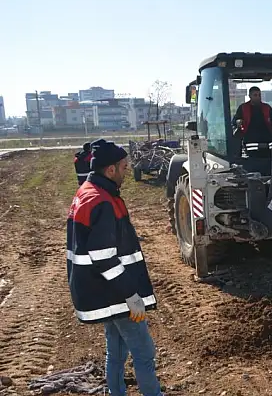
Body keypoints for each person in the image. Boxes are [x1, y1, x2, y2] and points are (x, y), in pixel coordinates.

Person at [66, 138, 163, 396]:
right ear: (110, 170)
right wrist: (131, 294)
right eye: (123, 166)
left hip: (103, 292)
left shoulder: (89, 193)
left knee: (117, 351)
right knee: (143, 352)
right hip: (116, 294)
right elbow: (103, 257)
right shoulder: (102, 201)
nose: (127, 171)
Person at [231, 86, 272, 158]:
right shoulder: (243, 108)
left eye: (259, 95)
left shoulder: (266, 107)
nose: (258, 97)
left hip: (267, 138)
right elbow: (235, 120)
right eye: (255, 95)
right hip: (250, 139)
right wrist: (238, 121)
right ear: (250, 96)